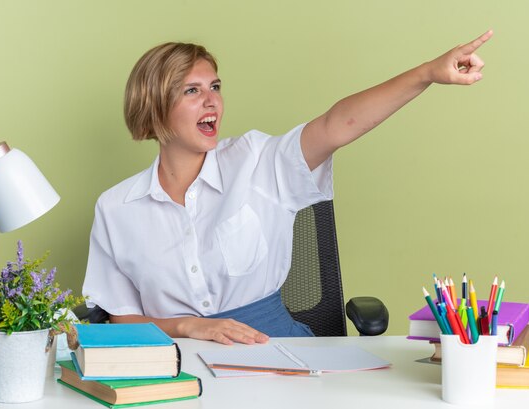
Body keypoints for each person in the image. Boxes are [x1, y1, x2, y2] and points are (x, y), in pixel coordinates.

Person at [82, 30, 493, 345]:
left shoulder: (257, 160)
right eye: (192, 91)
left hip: (275, 352)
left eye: (216, 87)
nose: (212, 101)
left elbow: (337, 125)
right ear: (153, 105)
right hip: (177, 364)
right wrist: (189, 327)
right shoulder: (116, 208)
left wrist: (426, 74)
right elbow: (123, 319)